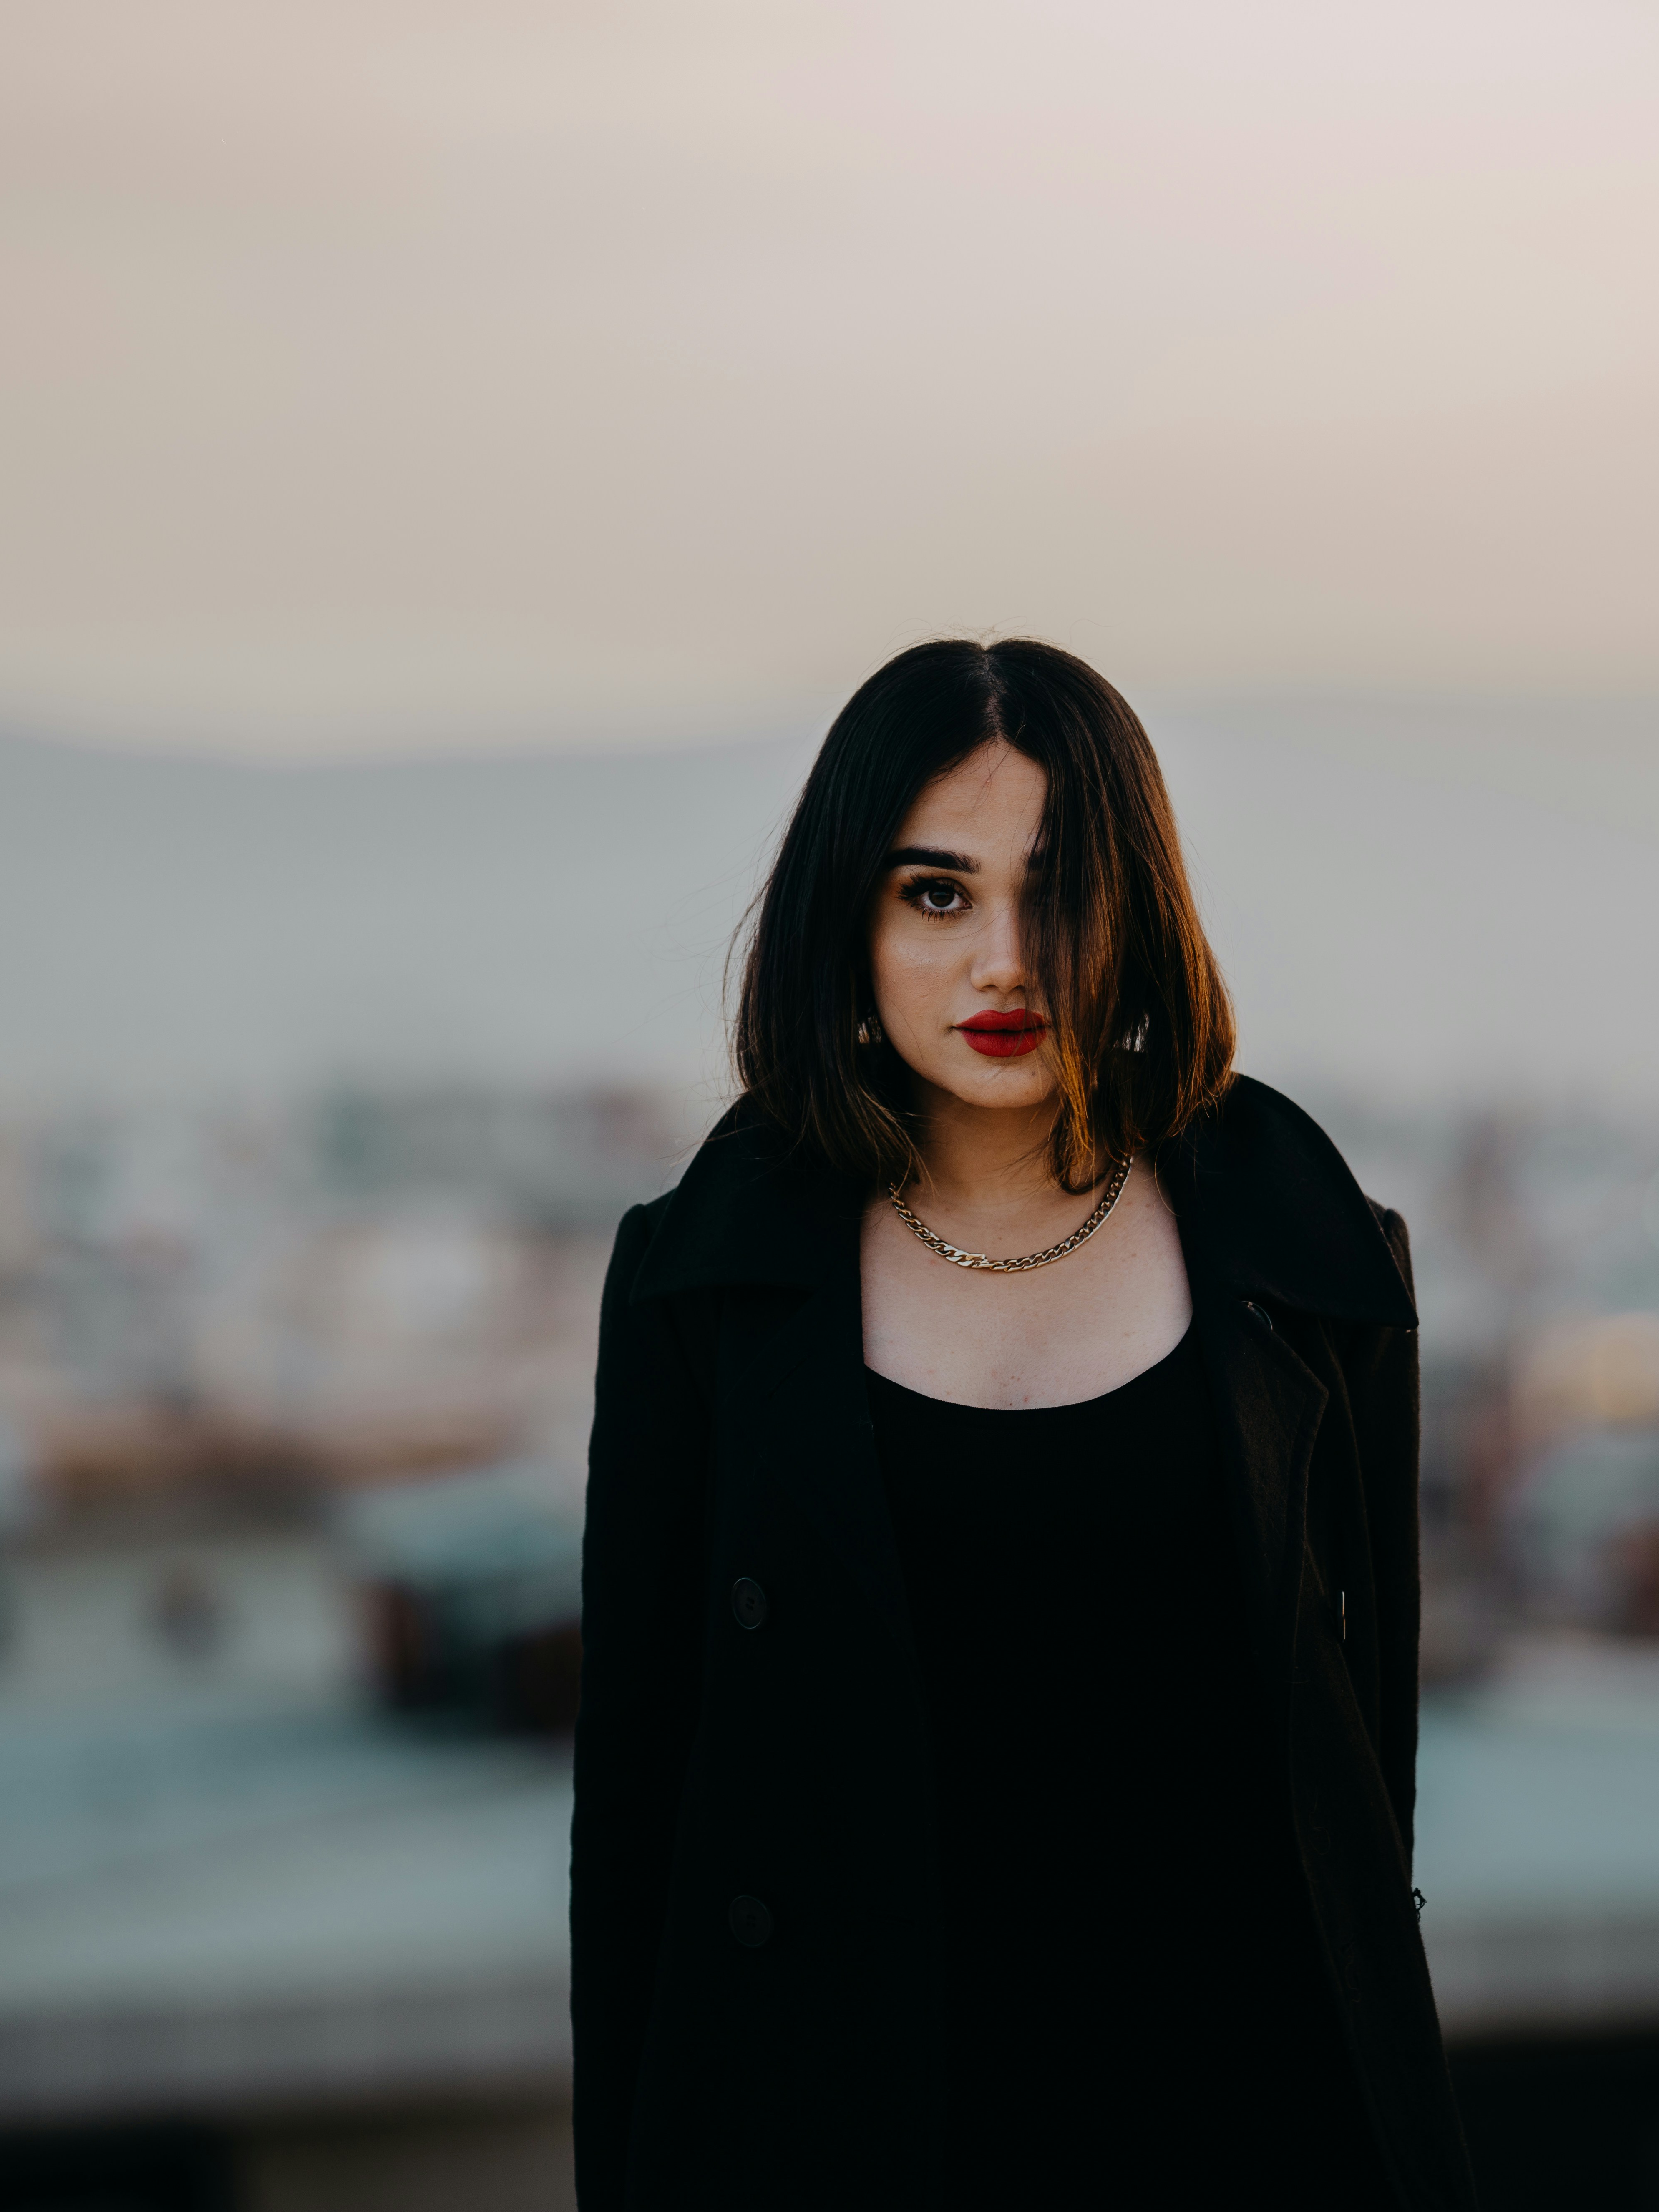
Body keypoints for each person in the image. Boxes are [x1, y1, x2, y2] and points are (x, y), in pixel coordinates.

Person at [572, 639, 1476, 2209]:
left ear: (1142, 909)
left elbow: (1365, 1784)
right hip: (851, 2138)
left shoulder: (1302, 1251)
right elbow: (639, 1830)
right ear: (844, 920)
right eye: (937, 894)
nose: (1007, 960)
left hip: (1248, 2127)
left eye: (1058, 891)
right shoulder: (699, 1283)